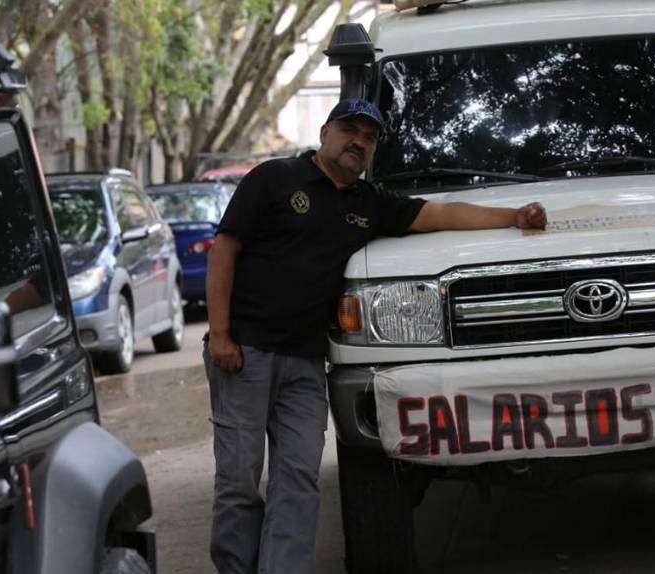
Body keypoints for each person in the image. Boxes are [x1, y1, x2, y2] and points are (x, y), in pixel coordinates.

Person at [204, 97, 547, 574]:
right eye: (350, 130)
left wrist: (512, 217)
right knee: (240, 481)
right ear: (325, 133)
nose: (358, 142)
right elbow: (225, 249)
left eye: (369, 138)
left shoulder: (368, 205)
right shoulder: (273, 178)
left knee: (298, 480)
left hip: (305, 363)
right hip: (245, 352)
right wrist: (219, 335)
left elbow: (441, 215)